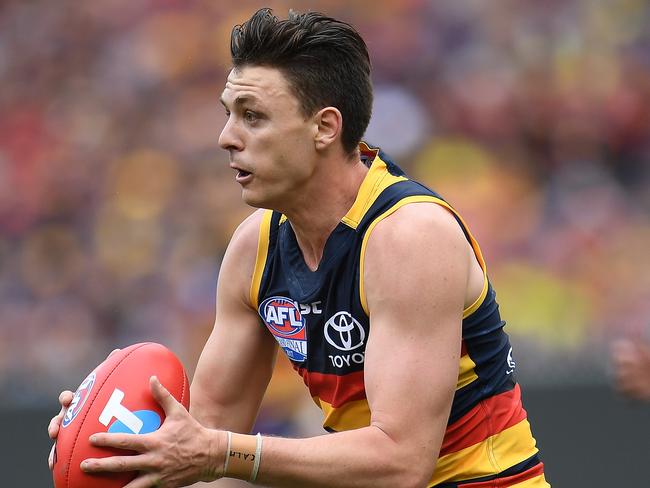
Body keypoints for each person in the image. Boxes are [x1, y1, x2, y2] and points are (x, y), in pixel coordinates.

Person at [48, 8, 550, 487]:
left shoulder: (409, 236)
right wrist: (113, 445)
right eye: (229, 114)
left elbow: (400, 464)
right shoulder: (254, 249)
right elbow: (201, 443)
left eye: (253, 117)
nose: (226, 137)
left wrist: (220, 452)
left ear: (324, 128)